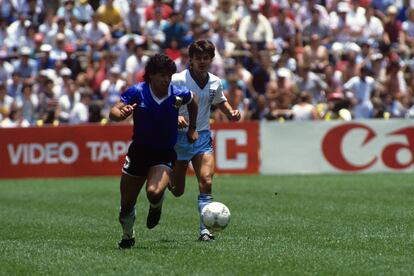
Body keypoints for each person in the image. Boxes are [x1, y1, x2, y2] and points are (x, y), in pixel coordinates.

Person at [109, 54, 199, 249]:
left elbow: (193, 100)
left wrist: (192, 128)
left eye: (169, 75)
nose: (166, 79)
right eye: (161, 75)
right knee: (126, 204)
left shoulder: (178, 93)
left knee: (154, 192)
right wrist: (121, 114)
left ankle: (156, 206)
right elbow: (113, 112)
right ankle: (127, 235)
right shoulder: (137, 91)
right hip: (139, 153)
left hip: (164, 153)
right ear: (150, 75)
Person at [169, 40, 240, 242]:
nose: (202, 61)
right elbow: (164, 103)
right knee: (177, 191)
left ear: (211, 59)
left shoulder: (215, 82)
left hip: (202, 137)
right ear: (190, 59)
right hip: (177, 139)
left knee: (206, 182)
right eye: (198, 58)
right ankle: (170, 182)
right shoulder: (177, 80)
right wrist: (174, 118)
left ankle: (205, 230)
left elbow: (220, 101)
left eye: (206, 58)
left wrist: (231, 113)